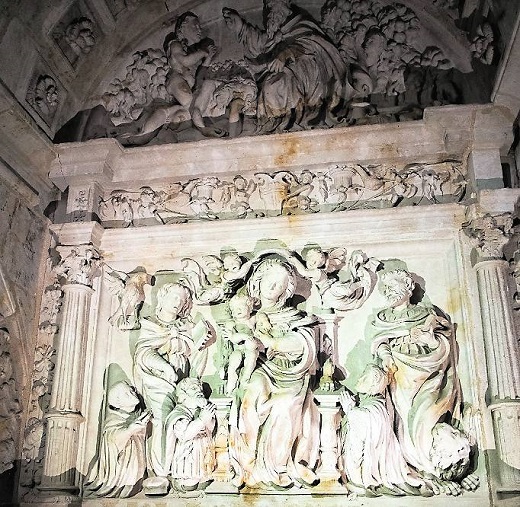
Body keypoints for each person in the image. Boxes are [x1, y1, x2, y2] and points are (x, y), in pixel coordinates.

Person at [369, 268, 471, 493]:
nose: (390, 291)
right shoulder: (383, 318)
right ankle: (422, 463)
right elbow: (380, 341)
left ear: (408, 288)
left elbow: (447, 342)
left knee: (430, 413)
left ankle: (439, 464)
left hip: (429, 369)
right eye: (386, 288)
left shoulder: (427, 313)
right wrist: (386, 355)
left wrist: (431, 341)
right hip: (400, 373)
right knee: (407, 417)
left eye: (395, 285)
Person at [229, 258, 319, 489]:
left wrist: (272, 342)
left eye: (279, 283)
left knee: (284, 406)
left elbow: (304, 345)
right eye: (270, 280)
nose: (272, 286)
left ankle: (277, 467)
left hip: (291, 375)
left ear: (286, 290)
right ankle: (248, 462)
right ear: (258, 282)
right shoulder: (246, 315)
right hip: (261, 368)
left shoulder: (294, 317)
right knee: (251, 393)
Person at [223, 0, 354, 132]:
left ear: (285, 10)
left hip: (306, 70)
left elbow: (311, 43)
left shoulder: (300, 24)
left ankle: (288, 120)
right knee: (272, 84)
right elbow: (260, 43)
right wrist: (240, 27)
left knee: (277, 84)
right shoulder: (274, 34)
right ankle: (279, 123)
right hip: (284, 73)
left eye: (273, 9)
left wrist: (285, 55)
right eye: (268, 10)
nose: (270, 15)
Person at [133, 282, 210, 493]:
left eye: (182, 301)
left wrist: (201, 344)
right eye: (174, 298)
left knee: (185, 420)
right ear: (162, 298)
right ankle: (159, 473)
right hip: (158, 381)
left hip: (182, 382)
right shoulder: (151, 324)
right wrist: (164, 366)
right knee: (161, 420)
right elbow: (143, 353)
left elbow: (194, 353)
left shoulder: (186, 326)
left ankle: (181, 469)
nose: (178, 303)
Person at [338, 364, 427, 497]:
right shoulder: (377, 405)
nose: (359, 379)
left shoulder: (372, 409)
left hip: (364, 471)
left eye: (364, 377)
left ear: (373, 384)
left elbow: (361, 431)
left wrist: (350, 409)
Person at [134, 12, 225, 138]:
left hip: (186, 85)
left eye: (200, 27)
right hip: (176, 80)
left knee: (187, 110)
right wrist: (204, 52)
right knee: (193, 107)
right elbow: (185, 61)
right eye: (195, 26)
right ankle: (202, 129)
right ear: (182, 27)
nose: (200, 30)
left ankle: (166, 119)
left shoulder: (191, 51)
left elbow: (199, 74)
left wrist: (208, 58)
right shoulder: (175, 44)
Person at [84, 381, 150, 498]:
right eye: (126, 393)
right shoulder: (114, 420)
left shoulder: (137, 413)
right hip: (121, 474)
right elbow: (111, 440)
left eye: (132, 390)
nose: (132, 393)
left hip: (137, 468)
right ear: (118, 402)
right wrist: (129, 430)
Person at [164, 377, 216, 491]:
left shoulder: (201, 410)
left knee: (204, 482)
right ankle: (181, 483)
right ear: (183, 394)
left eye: (200, 389)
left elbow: (211, 428)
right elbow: (185, 435)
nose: (199, 391)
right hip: (188, 455)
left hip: (203, 452)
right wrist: (202, 419)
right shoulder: (179, 413)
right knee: (190, 484)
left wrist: (209, 417)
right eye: (193, 388)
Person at [221, 293, 262, 394]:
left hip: (251, 348)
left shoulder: (253, 320)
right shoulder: (232, 324)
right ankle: (231, 383)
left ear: (250, 308)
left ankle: (245, 378)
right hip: (238, 349)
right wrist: (245, 336)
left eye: (241, 307)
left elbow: (262, 320)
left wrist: (264, 321)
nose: (237, 310)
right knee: (234, 361)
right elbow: (234, 338)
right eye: (235, 309)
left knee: (252, 357)